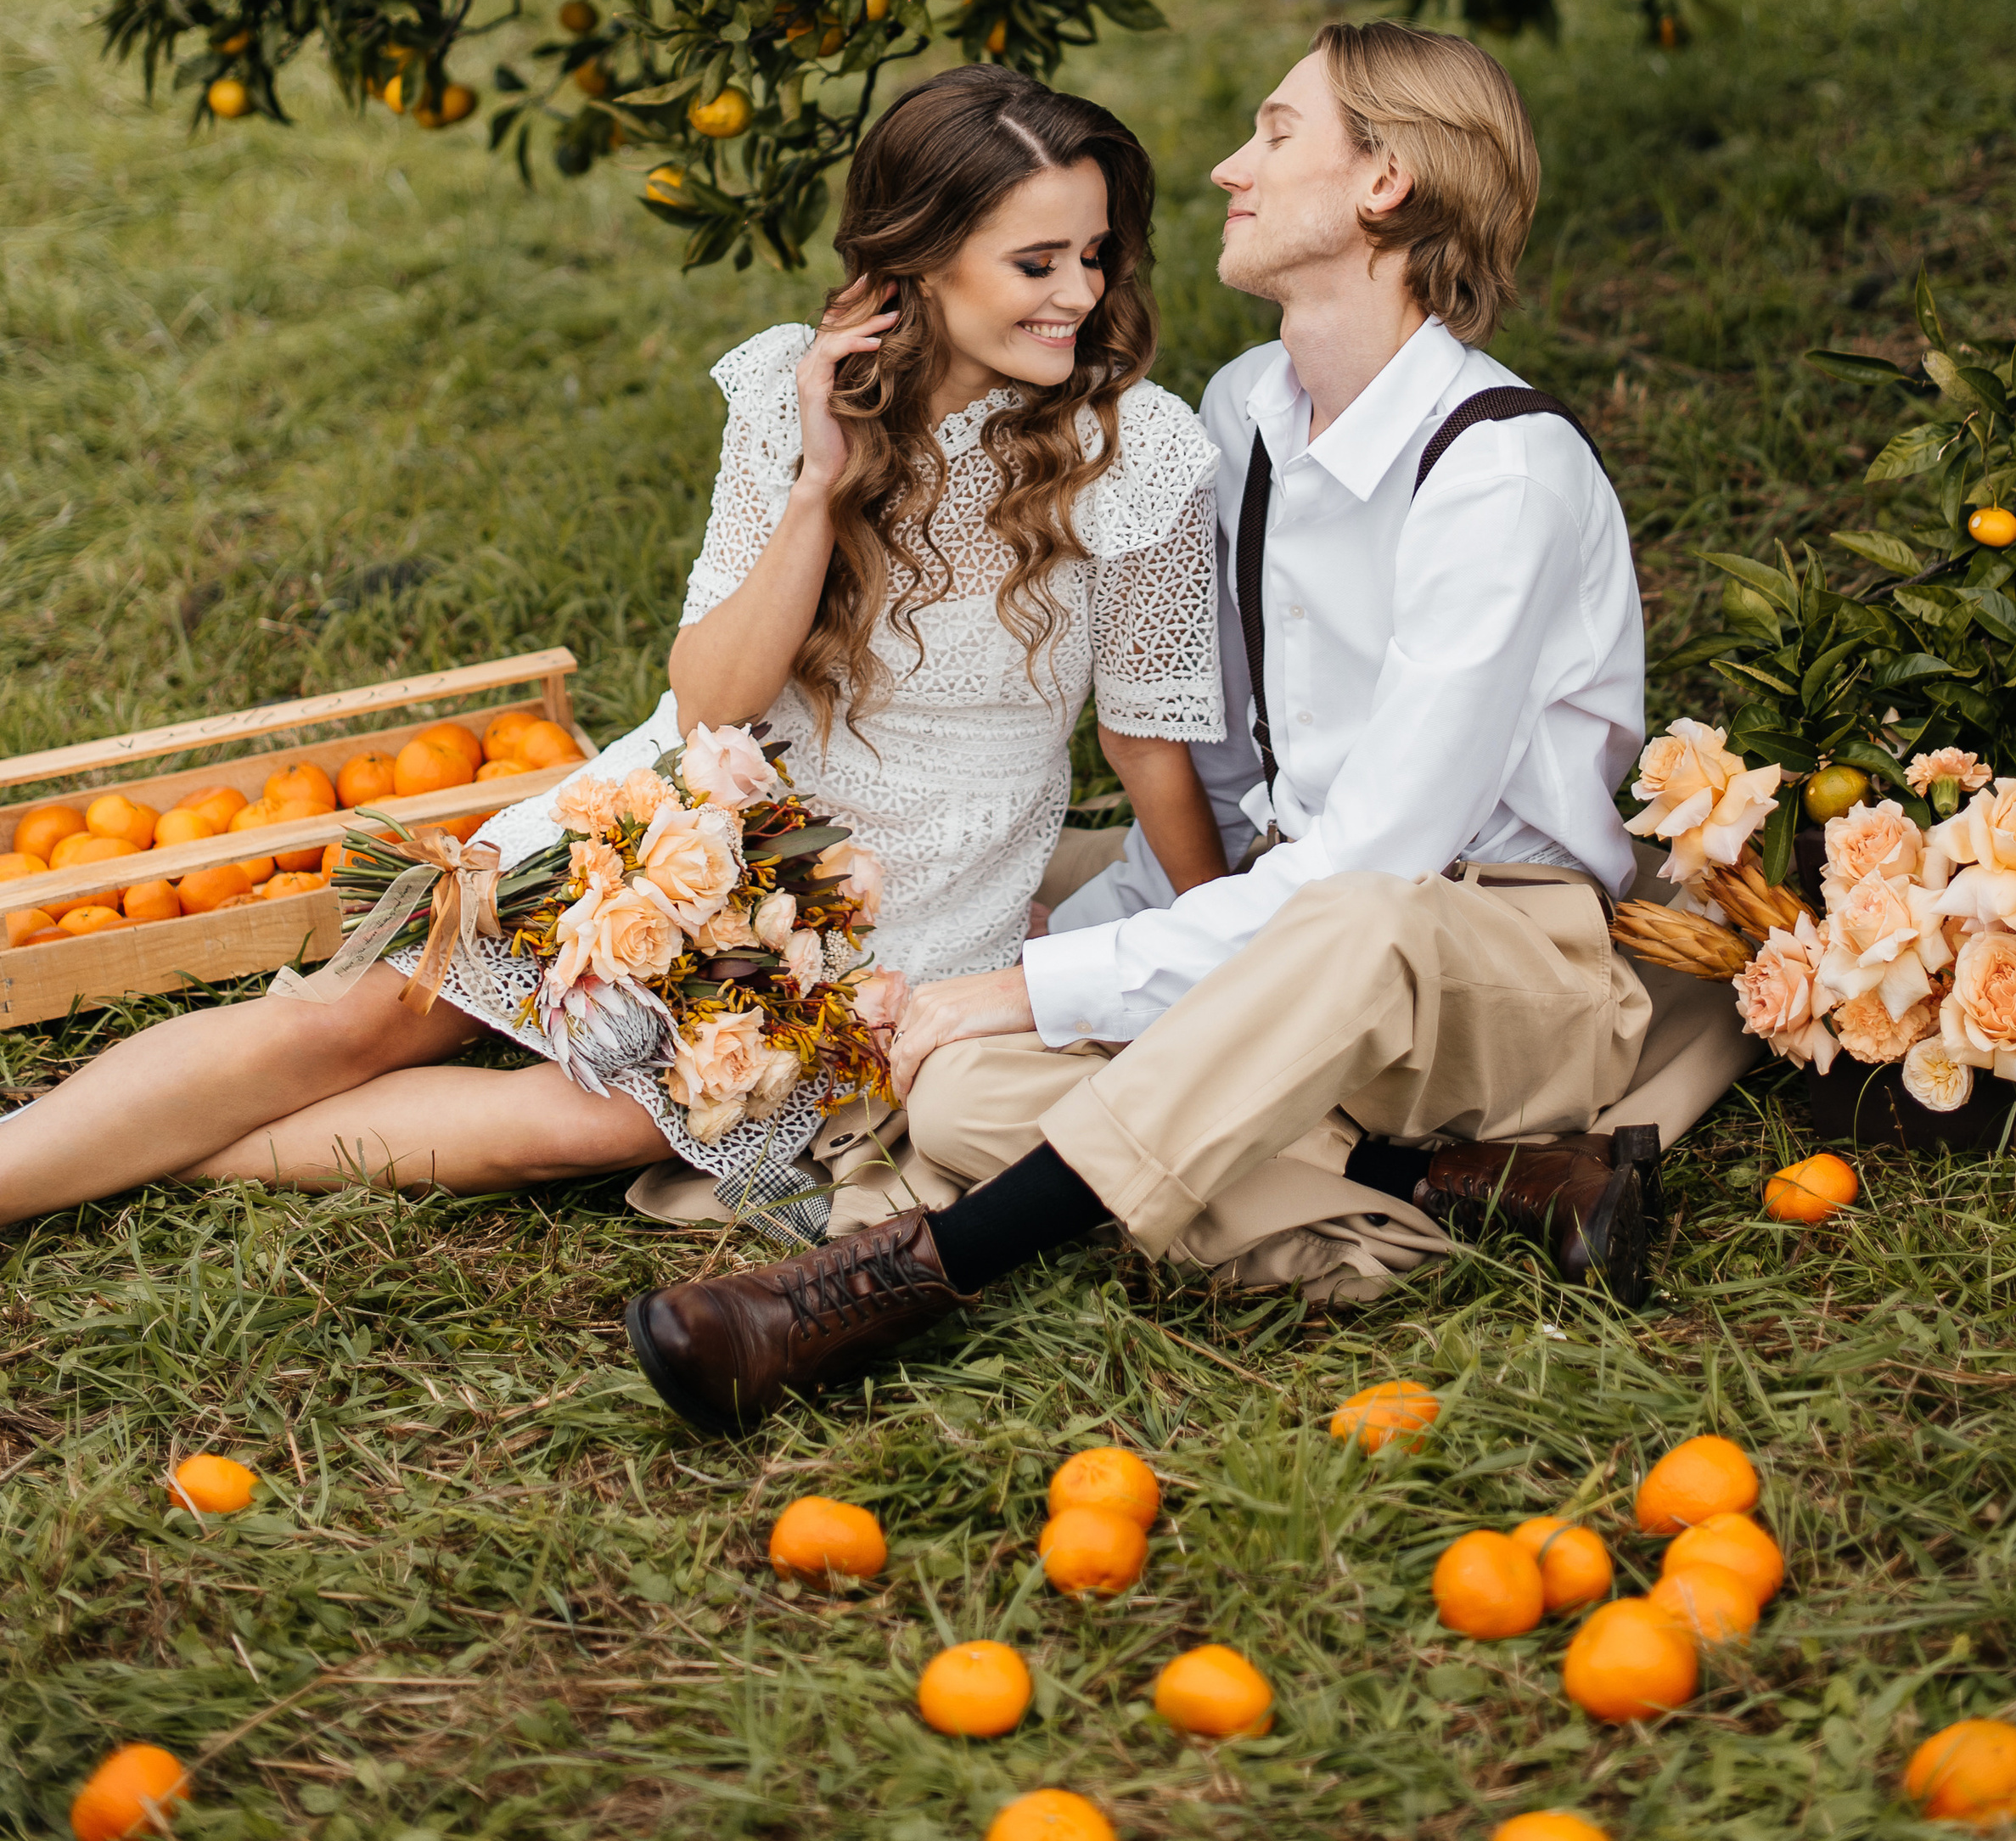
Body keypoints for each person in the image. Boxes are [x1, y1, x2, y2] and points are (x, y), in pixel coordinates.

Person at [626, 23, 1755, 1433]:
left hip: (1490, 968)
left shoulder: (1500, 477)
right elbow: (1219, 774)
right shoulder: (1247, 414)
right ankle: (1471, 1192)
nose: (1229, 166)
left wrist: (1037, 988)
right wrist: (1093, 942)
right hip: (1291, 932)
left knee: (1339, 922)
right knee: (964, 1098)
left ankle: (907, 1277)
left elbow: (1379, 864)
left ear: (1384, 183)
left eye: (1277, 133)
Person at [0, 67, 1228, 1223]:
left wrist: (1218, 948)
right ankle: (42, 1165)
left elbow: (1146, 746)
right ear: (920, 258)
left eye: (1095, 254)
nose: (1079, 294)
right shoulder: (793, 394)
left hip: (913, 898)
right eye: (1035, 262)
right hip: (698, 808)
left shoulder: (1147, 453)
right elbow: (711, 705)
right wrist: (819, 489)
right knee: (352, 1021)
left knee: (587, 1123)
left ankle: (125, 1145)